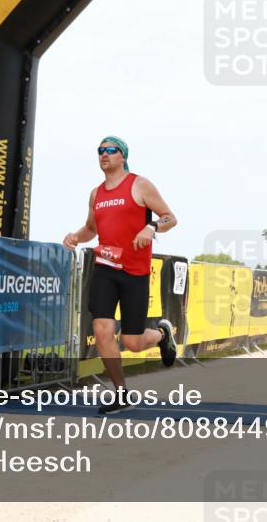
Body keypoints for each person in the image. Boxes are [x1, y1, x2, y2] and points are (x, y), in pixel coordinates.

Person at [63, 136, 178, 414]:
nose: (104, 154)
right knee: (102, 329)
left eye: (110, 150)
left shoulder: (139, 185)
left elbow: (169, 217)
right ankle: (121, 392)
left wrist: (151, 227)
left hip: (135, 272)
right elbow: (92, 228)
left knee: (132, 342)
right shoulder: (96, 194)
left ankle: (162, 335)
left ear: (123, 156)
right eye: (100, 151)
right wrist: (76, 236)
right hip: (105, 269)